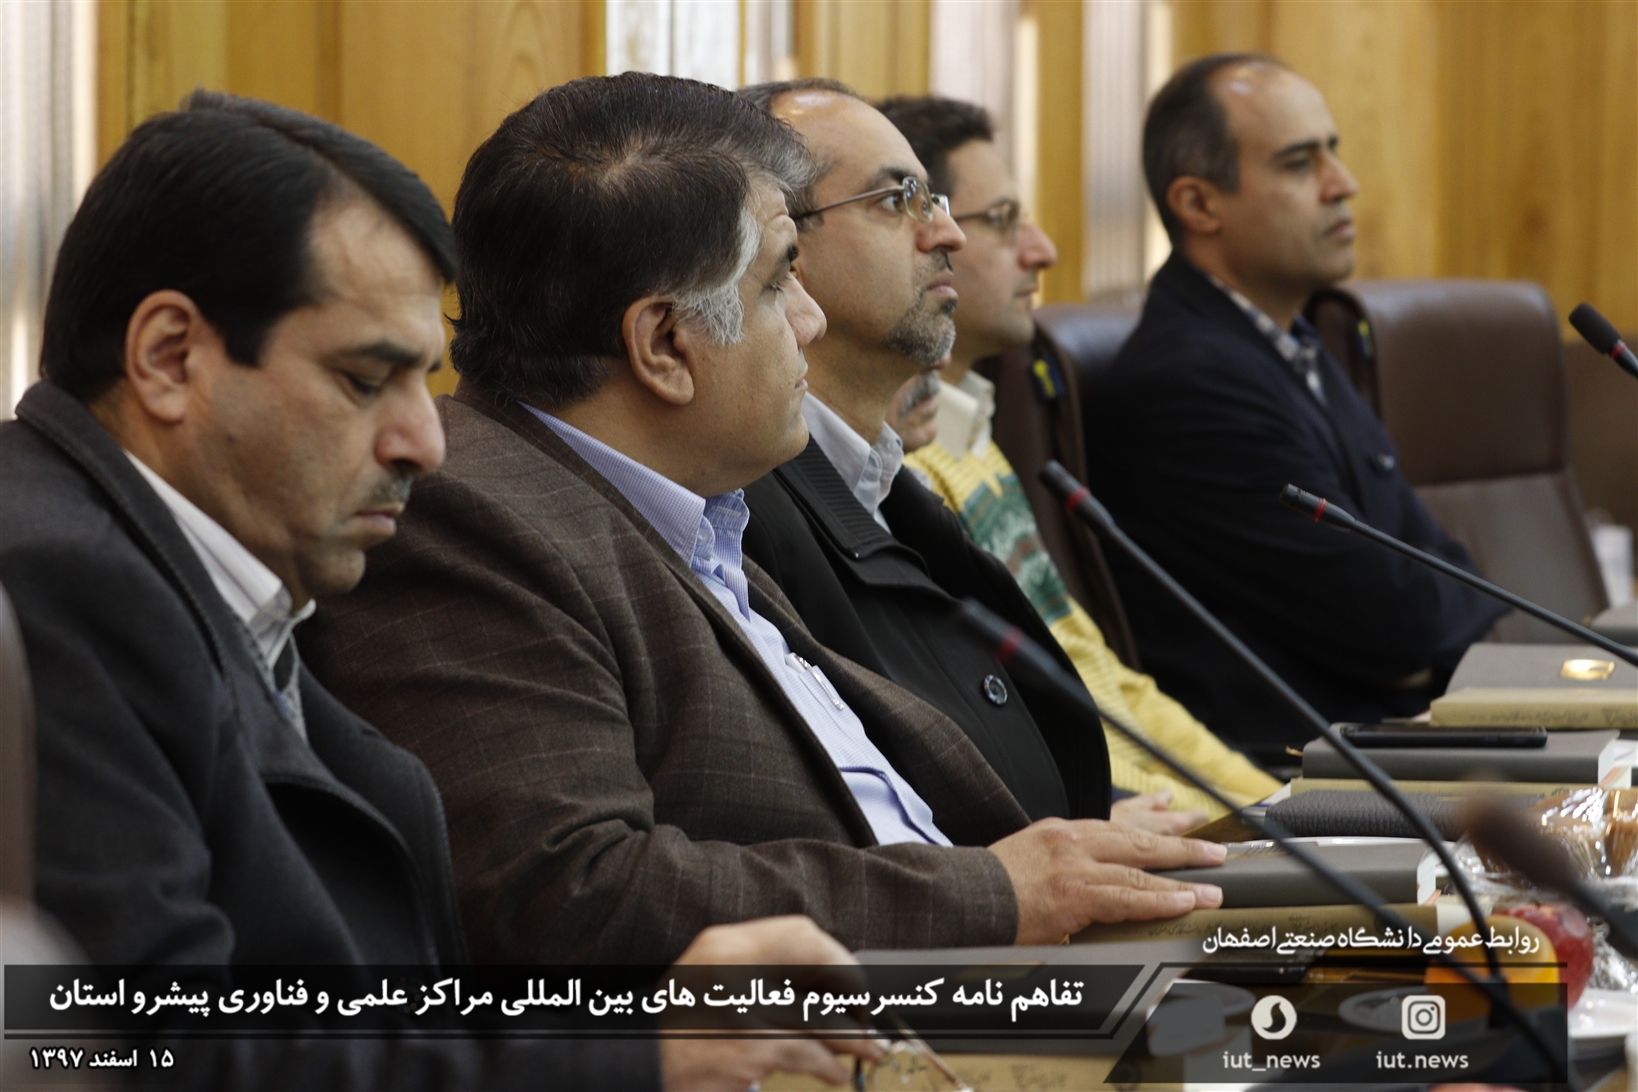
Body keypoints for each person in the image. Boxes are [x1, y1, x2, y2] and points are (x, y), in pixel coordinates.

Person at [5, 89, 881, 1091]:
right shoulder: (52, 587)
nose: (423, 443)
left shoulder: (191, 571)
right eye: (364, 380)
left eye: (423, 381)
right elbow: (131, 1051)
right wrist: (636, 1047)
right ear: (170, 358)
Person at [303, 73, 1226, 969]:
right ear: (666, 345)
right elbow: (569, 893)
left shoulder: (695, 507)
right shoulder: (471, 518)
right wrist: (994, 893)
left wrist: (1056, 866)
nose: (812, 321)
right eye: (782, 283)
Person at [1083, 54, 1507, 764]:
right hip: (1302, 775)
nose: (1343, 184)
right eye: (1299, 163)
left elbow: (1444, 570)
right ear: (1199, 205)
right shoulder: (1190, 381)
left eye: (1332, 152)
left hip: (1388, 742)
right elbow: (1397, 624)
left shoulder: (1289, 340)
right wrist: (1420, 641)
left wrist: (1426, 633)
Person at [875, 94, 1280, 820]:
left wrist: (1271, 805)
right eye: (1003, 221)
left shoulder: (972, 435)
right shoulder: (900, 472)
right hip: (1108, 823)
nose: (1043, 250)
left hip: (1165, 811)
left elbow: (1111, 684)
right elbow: (1017, 726)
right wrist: (1248, 823)